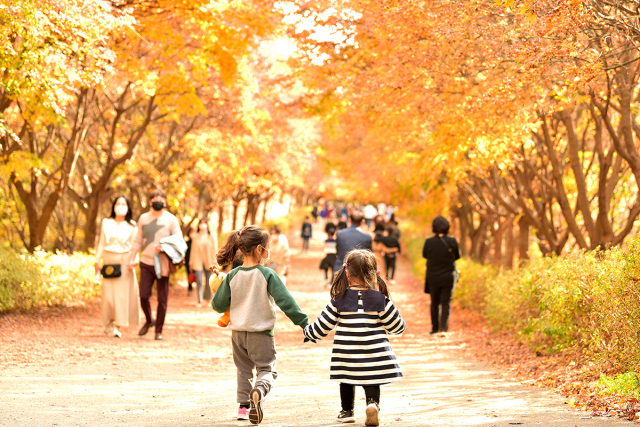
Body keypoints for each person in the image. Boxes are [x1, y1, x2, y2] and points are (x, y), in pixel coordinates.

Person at [212, 225, 309, 425]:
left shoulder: (232, 275)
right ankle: (260, 390)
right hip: (262, 334)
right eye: (267, 247)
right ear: (259, 249)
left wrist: (219, 286)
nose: (268, 250)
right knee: (267, 369)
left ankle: (243, 408)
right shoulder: (268, 274)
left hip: (238, 334)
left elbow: (218, 304)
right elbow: (286, 302)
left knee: (243, 370)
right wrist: (304, 323)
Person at [304, 249, 406, 426]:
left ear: (347, 272)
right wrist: (394, 329)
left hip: (346, 355)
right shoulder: (379, 299)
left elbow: (323, 326)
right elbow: (397, 326)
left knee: (346, 377)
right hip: (374, 355)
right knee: (372, 377)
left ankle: (347, 411)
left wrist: (308, 332)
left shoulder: (339, 299)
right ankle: (372, 404)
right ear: (373, 273)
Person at [128, 189, 182, 341]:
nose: (158, 200)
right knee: (143, 295)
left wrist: (164, 246)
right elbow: (138, 239)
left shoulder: (171, 219)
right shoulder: (143, 218)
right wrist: (132, 258)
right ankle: (149, 320)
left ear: (165, 201)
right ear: (150, 201)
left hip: (163, 264)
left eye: (161, 198)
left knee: (162, 299)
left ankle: (159, 330)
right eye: (154, 197)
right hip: (146, 262)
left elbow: (179, 239)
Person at [95, 195, 140, 338]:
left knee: (121, 295)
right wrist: (97, 260)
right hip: (109, 259)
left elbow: (135, 246)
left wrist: (134, 260)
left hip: (125, 260)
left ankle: (118, 325)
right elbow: (102, 243)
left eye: (124, 204)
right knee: (108, 295)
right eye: (118, 204)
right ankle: (108, 323)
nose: (120, 206)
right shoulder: (106, 223)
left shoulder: (132, 225)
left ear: (128, 208)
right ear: (113, 207)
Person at [422, 216, 460, 334]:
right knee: (446, 302)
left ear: (434, 227)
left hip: (433, 276)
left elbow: (424, 255)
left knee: (434, 302)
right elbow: (458, 256)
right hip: (448, 276)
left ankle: (434, 329)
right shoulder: (452, 241)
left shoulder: (429, 242)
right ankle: (443, 328)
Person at [190, 220, 218, 306]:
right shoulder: (196, 236)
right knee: (198, 280)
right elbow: (192, 249)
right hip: (197, 260)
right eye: (201, 223)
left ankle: (208, 299)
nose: (202, 225)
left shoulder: (211, 236)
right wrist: (190, 262)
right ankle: (200, 300)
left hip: (209, 260)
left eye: (204, 223)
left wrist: (215, 261)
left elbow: (215, 248)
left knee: (209, 280)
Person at [184, 227, 196, 296]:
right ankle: (190, 289)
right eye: (191, 232)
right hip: (188, 262)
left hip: (196, 262)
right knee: (189, 275)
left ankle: (198, 290)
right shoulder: (186, 243)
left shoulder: (197, 243)